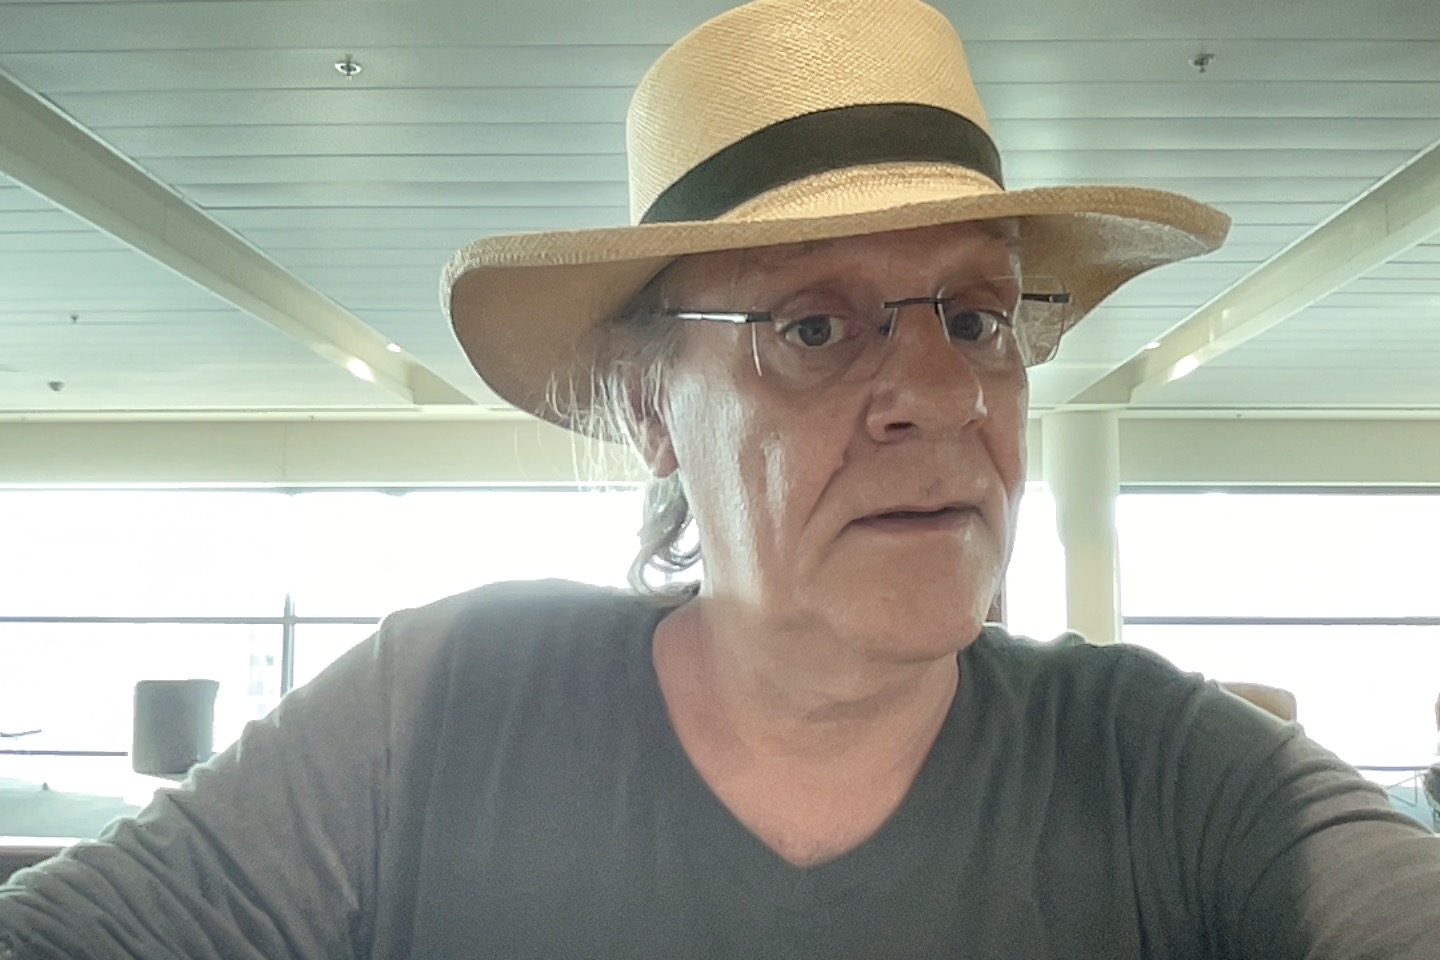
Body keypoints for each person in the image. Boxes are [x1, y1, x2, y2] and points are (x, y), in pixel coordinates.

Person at [3, 0, 1438, 956]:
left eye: (978, 318)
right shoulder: (438, 712)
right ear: (652, 407)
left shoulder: (1168, 770)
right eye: (812, 328)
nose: (944, 396)